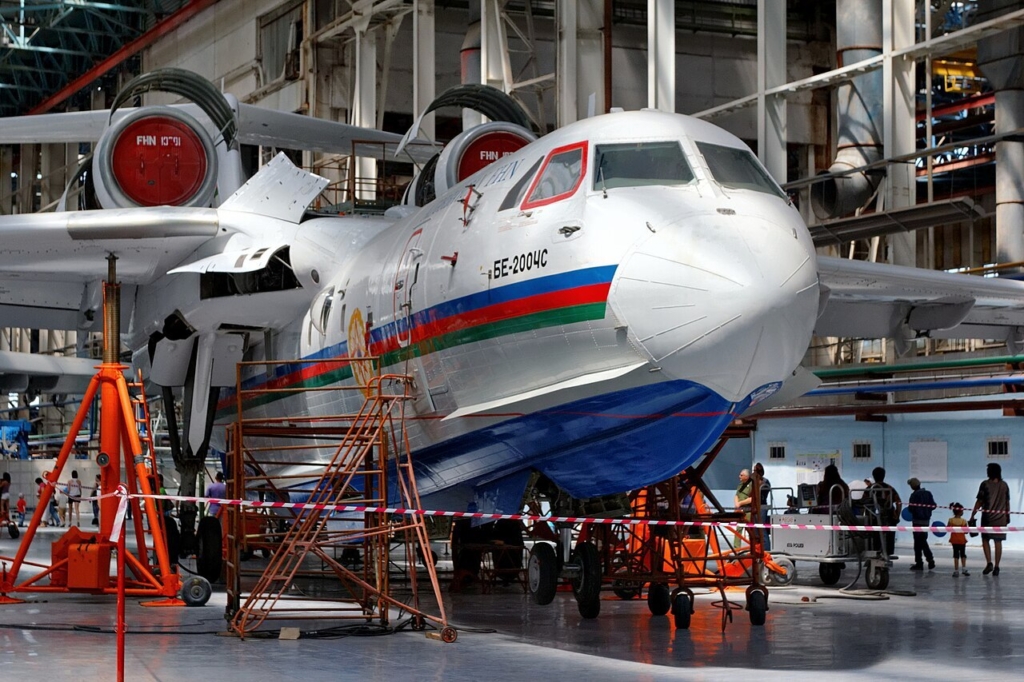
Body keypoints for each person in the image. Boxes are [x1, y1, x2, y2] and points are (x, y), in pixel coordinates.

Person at [970, 462, 1010, 576]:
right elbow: (1007, 502)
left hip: (988, 519)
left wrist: (973, 514)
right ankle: (997, 566)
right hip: (1001, 519)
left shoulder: (985, 484)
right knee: (998, 542)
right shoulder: (1004, 485)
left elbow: (980, 501)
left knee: (985, 540)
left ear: (990, 472)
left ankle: (989, 563)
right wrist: (1007, 517)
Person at [868, 467, 901, 555]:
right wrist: (897, 515)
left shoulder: (869, 488)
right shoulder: (889, 488)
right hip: (889, 515)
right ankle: (888, 552)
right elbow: (899, 502)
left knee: (875, 536)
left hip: (873, 515)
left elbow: (863, 502)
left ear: (873, 476)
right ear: (884, 476)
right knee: (890, 535)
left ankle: (875, 552)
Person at [907, 478, 936, 571]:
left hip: (917, 521)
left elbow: (911, 508)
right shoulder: (928, 493)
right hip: (926, 521)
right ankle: (928, 560)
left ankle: (923, 561)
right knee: (923, 540)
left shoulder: (914, 495)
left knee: (918, 542)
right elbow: (933, 506)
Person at [948, 502, 970, 577]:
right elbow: (966, 532)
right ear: (960, 511)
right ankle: (964, 569)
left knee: (956, 555)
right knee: (963, 554)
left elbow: (948, 529)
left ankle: (956, 571)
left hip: (954, 540)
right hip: (962, 541)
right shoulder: (964, 521)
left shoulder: (950, 520)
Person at [734, 468, 754, 548]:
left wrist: (740, 503)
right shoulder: (740, 485)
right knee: (738, 529)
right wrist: (736, 504)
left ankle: (752, 547)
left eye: (741, 475)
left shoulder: (752, 485)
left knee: (750, 530)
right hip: (740, 510)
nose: (739, 476)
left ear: (746, 476)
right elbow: (736, 495)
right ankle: (736, 547)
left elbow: (751, 499)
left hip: (748, 511)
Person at [754, 463, 772, 551]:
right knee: (755, 529)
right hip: (755, 506)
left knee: (762, 528)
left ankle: (766, 549)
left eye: (755, 470)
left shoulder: (765, 482)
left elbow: (763, 494)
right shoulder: (754, 480)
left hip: (762, 506)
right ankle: (758, 548)